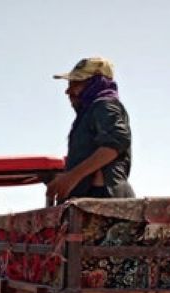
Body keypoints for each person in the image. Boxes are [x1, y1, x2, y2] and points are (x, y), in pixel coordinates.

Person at [46, 57, 134, 204]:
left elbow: (116, 142)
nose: (68, 91)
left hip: (103, 201)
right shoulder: (91, 111)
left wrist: (72, 177)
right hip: (93, 200)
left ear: (97, 83)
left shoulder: (104, 105)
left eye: (76, 83)